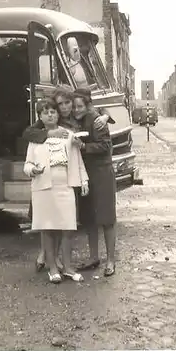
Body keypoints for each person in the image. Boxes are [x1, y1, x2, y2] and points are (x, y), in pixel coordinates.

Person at [23, 85, 115, 271]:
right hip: (60, 175)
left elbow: (93, 110)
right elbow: (28, 133)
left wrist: (105, 115)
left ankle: (105, 259)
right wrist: (49, 133)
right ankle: (48, 256)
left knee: (99, 216)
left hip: (89, 170)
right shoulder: (52, 119)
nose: (65, 108)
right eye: (60, 104)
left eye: (68, 103)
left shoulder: (80, 115)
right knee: (54, 216)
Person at [23, 97, 89, 283]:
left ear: (58, 114)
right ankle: (53, 269)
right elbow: (27, 164)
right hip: (43, 188)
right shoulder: (36, 138)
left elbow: (78, 160)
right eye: (46, 112)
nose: (50, 115)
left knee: (68, 228)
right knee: (48, 229)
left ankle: (67, 267)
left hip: (65, 187)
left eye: (53, 111)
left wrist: (84, 181)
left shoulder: (68, 135)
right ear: (40, 117)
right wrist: (32, 170)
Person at [72, 88, 117, 277]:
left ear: (88, 105)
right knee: (89, 217)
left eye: (79, 106)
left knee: (106, 218)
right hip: (86, 173)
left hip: (101, 172)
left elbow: (106, 145)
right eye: (74, 106)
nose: (75, 109)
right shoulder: (79, 120)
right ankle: (93, 257)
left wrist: (84, 147)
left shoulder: (96, 120)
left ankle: (111, 261)